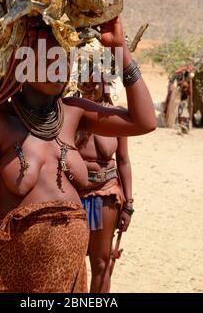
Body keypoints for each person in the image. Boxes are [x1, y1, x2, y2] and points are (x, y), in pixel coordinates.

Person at [0, 15, 156, 293]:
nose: (58, 65)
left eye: (64, 56)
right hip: (12, 278)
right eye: (48, 56)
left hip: (69, 279)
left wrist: (119, 48)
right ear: (19, 60)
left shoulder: (74, 112)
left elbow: (145, 121)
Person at [74, 60, 133, 293]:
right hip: (74, 195)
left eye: (94, 81)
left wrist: (128, 204)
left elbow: (124, 161)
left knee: (101, 261)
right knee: (72, 259)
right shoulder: (68, 112)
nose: (88, 86)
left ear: (104, 83)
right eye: (83, 81)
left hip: (106, 195)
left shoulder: (116, 116)